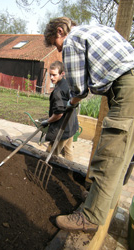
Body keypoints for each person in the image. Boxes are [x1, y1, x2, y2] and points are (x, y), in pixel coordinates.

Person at [44, 17, 134, 233]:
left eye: (57, 45)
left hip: (128, 89)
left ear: (60, 31)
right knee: (121, 155)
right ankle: (102, 202)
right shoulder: (92, 30)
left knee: (110, 154)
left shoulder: (73, 39)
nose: (60, 51)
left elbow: (78, 88)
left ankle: (91, 217)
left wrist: (71, 103)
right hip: (128, 85)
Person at [41, 61, 78, 161]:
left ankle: (44, 174)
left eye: (54, 75)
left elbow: (58, 114)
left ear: (62, 73)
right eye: (50, 75)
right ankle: (70, 171)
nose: (52, 78)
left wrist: (47, 121)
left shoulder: (58, 92)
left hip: (62, 129)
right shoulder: (67, 83)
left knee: (50, 154)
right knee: (68, 152)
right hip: (71, 125)